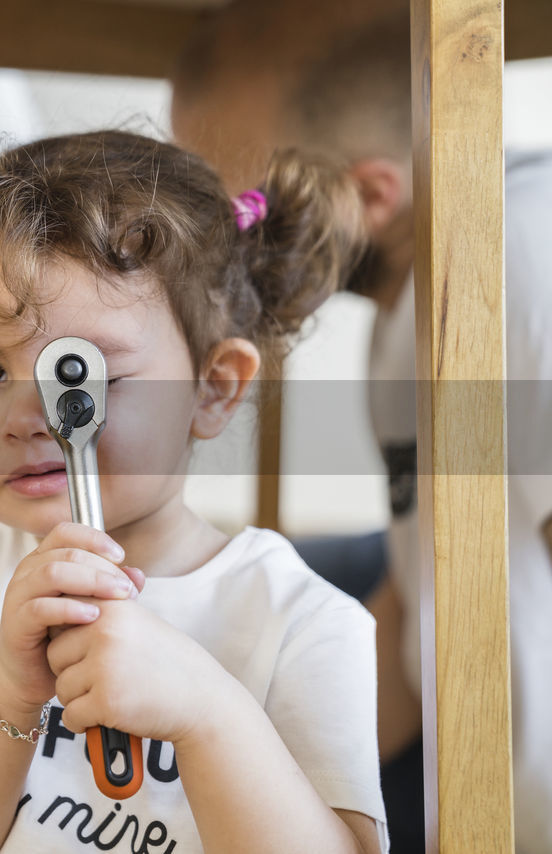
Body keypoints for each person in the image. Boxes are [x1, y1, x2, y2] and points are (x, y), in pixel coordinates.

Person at [0, 130, 388, 853]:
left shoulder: (303, 622)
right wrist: (7, 686)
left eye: (77, 375)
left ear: (212, 388)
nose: (26, 417)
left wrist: (208, 714)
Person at [170, 5, 552, 851]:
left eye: (234, 217)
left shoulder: (518, 261)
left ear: (374, 195)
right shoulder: (410, 307)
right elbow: (419, 608)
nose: (204, 255)